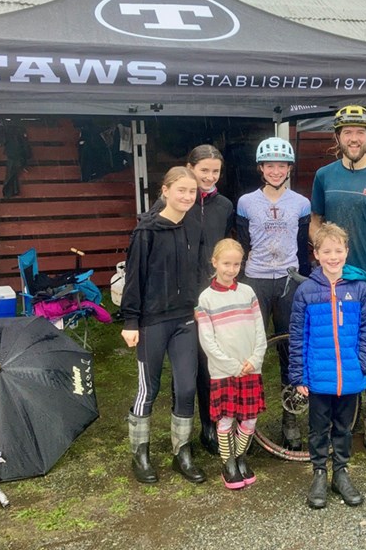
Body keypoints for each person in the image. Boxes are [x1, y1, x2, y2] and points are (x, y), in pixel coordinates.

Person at [309, 104, 366, 449]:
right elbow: (316, 221)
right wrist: (322, 253)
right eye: (347, 132)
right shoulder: (324, 176)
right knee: (334, 345)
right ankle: (340, 415)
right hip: (334, 278)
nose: (354, 138)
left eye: (360, 132)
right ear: (338, 137)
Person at [145, 144, 235, 456]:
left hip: (215, 295)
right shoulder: (170, 206)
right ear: (189, 168)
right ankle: (182, 433)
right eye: (203, 170)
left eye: (215, 171)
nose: (209, 177)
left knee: (211, 364)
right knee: (186, 368)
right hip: (183, 300)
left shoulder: (224, 206)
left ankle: (210, 427)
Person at [120, 166, 207, 485]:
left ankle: (181, 451)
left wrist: (198, 301)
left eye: (192, 192)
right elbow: (135, 277)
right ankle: (140, 453)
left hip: (185, 319)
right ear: (165, 190)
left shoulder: (193, 224)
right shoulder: (146, 231)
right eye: (180, 190)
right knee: (149, 388)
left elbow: (198, 266)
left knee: (186, 387)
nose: (186, 196)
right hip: (151, 322)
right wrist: (131, 320)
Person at [289, 222, 366, 509]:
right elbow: (298, 336)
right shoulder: (306, 291)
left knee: (343, 428)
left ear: (346, 252)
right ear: (316, 254)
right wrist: (299, 374)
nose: (333, 256)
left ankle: (340, 472)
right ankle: (318, 473)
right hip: (318, 376)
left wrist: (363, 362)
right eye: (327, 251)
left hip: (350, 374)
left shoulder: (360, 289)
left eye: (338, 250)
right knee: (318, 428)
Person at [236, 136, 312, 451]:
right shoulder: (246, 202)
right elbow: (242, 244)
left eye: (282, 165)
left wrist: (306, 280)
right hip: (256, 280)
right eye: (271, 165)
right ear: (261, 168)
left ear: (289, 168)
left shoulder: (301, 203)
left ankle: (289, 419)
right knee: (251, 351)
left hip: (289, 280)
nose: (276, 171)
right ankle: (245, 420)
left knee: (289, 349)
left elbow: (304, 248)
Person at [195, 238, 268, 490]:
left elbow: (260, 329)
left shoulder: (248, 293)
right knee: (225, 419)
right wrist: (232, 366)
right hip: (224, 371)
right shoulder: (206, 299)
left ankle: (240, 456)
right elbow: (207, 341)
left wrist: (255, 358)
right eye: (226, 263)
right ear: (214, 262)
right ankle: (228, 463)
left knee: (249, 419)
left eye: (236, 264)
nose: (231, 269)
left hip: (250, 367)